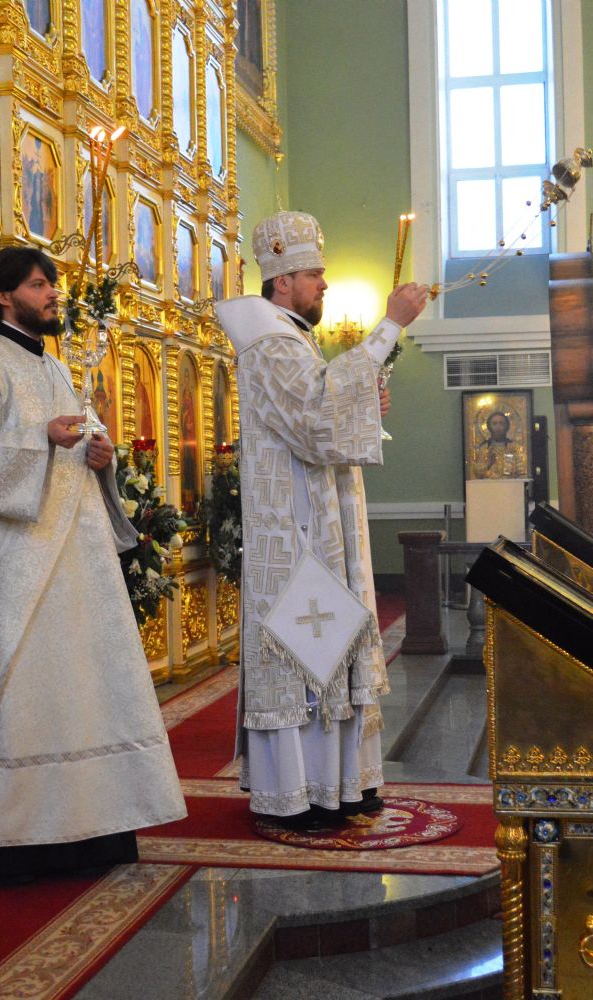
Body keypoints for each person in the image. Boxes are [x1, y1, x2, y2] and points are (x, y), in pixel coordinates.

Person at [0, 246, 185, 880]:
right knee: (27, 697)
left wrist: (102, 459)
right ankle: (21, 839)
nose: (52, 295)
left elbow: (83, 448)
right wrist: (38, 439)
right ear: (4, 296)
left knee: (86, 691)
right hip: (17, 567)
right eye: (39, 284)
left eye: (51, 285)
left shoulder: (59, 371)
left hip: (79, 564)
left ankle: (94, 827)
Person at [216, 210, 429, 824]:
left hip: (321, 525)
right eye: (314, 275)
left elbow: (327, 407)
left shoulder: (292, 337)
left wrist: (365, 398)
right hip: (294, 534)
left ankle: (343, 781)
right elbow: (315, 418)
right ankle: (300, 790)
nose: (325, 284)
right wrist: (390, 324)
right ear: (282, 281)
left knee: (331, 645)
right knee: (304, 649)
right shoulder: (269, 342)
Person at [472, 409, 517, 479]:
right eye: (494, 423)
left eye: (501, 423)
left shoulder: (513, 447)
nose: (498, 427)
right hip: (488, 484)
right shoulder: (484, 448)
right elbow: (477, 473)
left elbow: (520, 471)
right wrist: (489, 462)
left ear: (506, 426)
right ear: (489, 426)